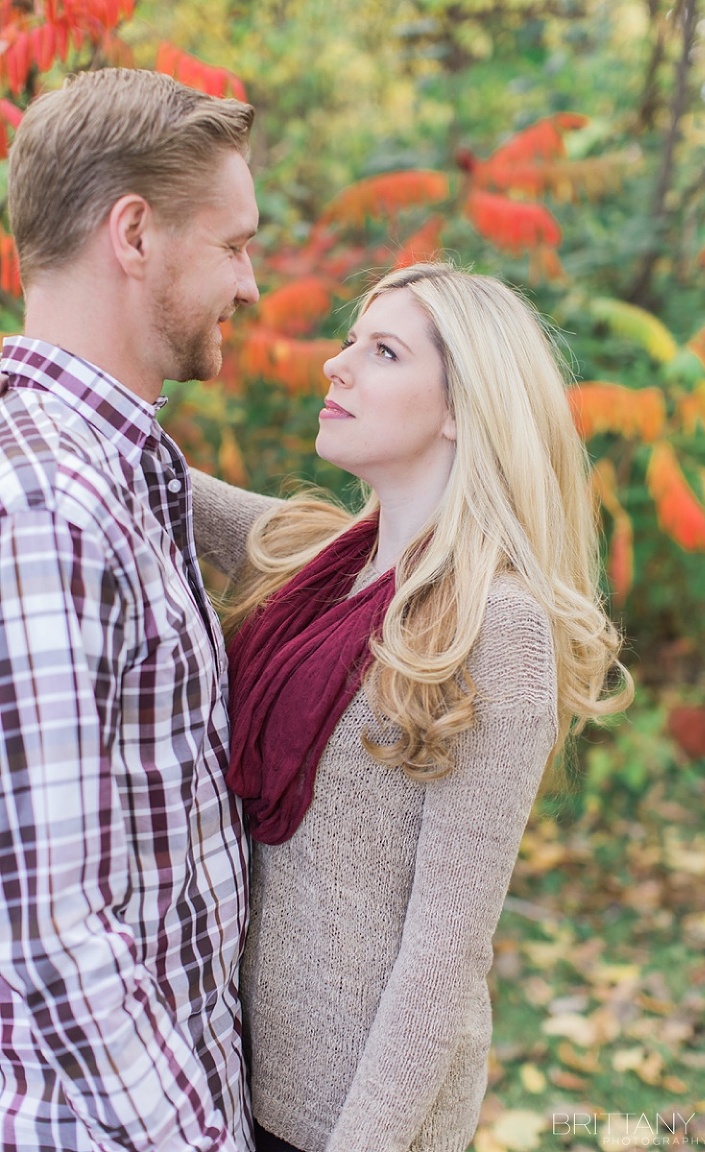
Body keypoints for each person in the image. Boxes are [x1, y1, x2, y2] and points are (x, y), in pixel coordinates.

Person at [191, 261, 634, 1152]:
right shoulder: (324, 565)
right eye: (351, 340)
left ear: (462, 410)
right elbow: (161, 482)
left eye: (383, 351)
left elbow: (444, 957)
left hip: (358, 1119)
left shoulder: (494, 626)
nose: (336, 366)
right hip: (242, 1082)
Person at [0, 69, 260, 1151]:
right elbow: (48, 926)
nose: (250, 285)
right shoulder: (44, 501)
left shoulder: (128, 468)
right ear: (136, 234)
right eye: (236, 244)